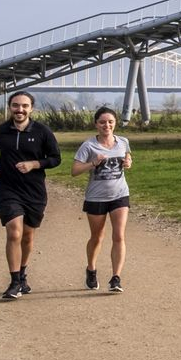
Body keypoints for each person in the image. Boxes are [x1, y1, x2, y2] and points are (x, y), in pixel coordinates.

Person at [0, 91, 61, 301]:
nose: (20, 110)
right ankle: (14, 281)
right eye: (16, 105)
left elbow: (55, 159)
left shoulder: (42, 131)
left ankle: (23, 273)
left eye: (24, 106)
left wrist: (34, 164)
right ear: (10, 107)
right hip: (7, 189)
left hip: (34, 190)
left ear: (31, 108)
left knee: (27, 236)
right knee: (14, 233)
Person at [72, 106, 133, 293]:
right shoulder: (88, 146)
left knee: (119, 235)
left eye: (110, 122)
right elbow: (74, 171)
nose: (107, 125)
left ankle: (116, 278)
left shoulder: (123, 142)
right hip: (96, 197)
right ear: (96, 124)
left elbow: (127, 157)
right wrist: (93, 163)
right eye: (102, 122)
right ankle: (91, 269)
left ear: (115, 123)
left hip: (120, 195)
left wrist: (129, 163)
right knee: (97, 237)